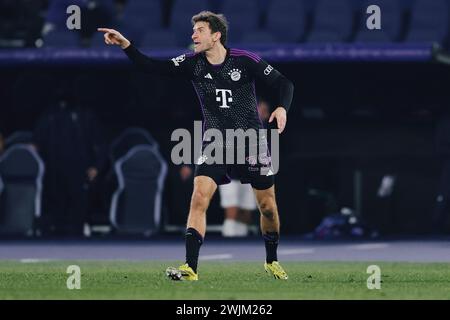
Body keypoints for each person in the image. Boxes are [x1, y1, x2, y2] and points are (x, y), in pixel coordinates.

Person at [98, 11, 294, 280]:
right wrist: (126, 45)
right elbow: (151, 67)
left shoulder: (244, 61)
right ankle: (190, 267)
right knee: (199, 198)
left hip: (250, 141)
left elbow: (284, 83)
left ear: (216, 36)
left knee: (267, 207)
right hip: (215, 141)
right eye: (194, 31)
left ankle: (271, 260)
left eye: (199, 30)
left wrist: (282, 107)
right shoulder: (192, 63)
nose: (193, 35)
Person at [220, 99, 271, 237]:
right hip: (232, 174)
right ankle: (229, 237)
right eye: (261, 108)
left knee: (246, 211)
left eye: (265, 110)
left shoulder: (265, 130)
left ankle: (240, 240)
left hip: (251, 176)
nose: (263, 112)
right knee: (232, 209)